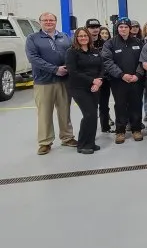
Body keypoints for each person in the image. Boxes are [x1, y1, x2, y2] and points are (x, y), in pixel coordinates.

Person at [25, 12, 76, 155]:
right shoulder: (33, 39)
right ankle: (45, 142)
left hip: (64, 80)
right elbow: (33, 58)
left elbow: (73, 54)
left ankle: (67, 137)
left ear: (56, 21)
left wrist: (68, 68)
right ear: (40, 22)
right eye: (45, 20)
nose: (48, 22)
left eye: (51, 20)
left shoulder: (64, 37)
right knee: (44, 113)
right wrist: (54, 70)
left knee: (64, 111)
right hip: (43, 81)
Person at [101, 17, 144, 144]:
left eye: (126, 27)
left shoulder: (138, 42)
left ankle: (136, 129)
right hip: (118, 81)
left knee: (136, 104)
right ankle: (120, 131)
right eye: (121, 27)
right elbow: (107, 62)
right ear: (117, 28)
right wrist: (121, 75)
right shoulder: (110, 44)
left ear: (130, 28)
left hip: (136, 80)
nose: (123, 29)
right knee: (120, 105)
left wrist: (138, 74)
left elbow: (143, 60)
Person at [65, 27, 104, 154]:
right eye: (80, 36)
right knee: (89, 114)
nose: (83, 38)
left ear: (89, 37)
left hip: (95, 87)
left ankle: (91, 143)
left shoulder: (95, 51)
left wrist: (99, 81)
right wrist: (92, 80)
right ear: (76, 38)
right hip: (79, 88)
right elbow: (73, 71)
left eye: (85, 36)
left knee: (93, 115)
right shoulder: (72, 52)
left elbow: (102, 68)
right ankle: (82, 144)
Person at [86, 18, 113, 132]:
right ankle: (90, 130)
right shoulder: (83, 43)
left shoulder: (105, 44)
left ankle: (105, 127)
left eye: (97, 27)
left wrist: (102, 77)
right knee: (90, 107)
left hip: (104, 79)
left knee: (104, 105)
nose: (95, 30)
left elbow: (107, 61)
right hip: (88, 80)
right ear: (87, 28)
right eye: (92, 27)